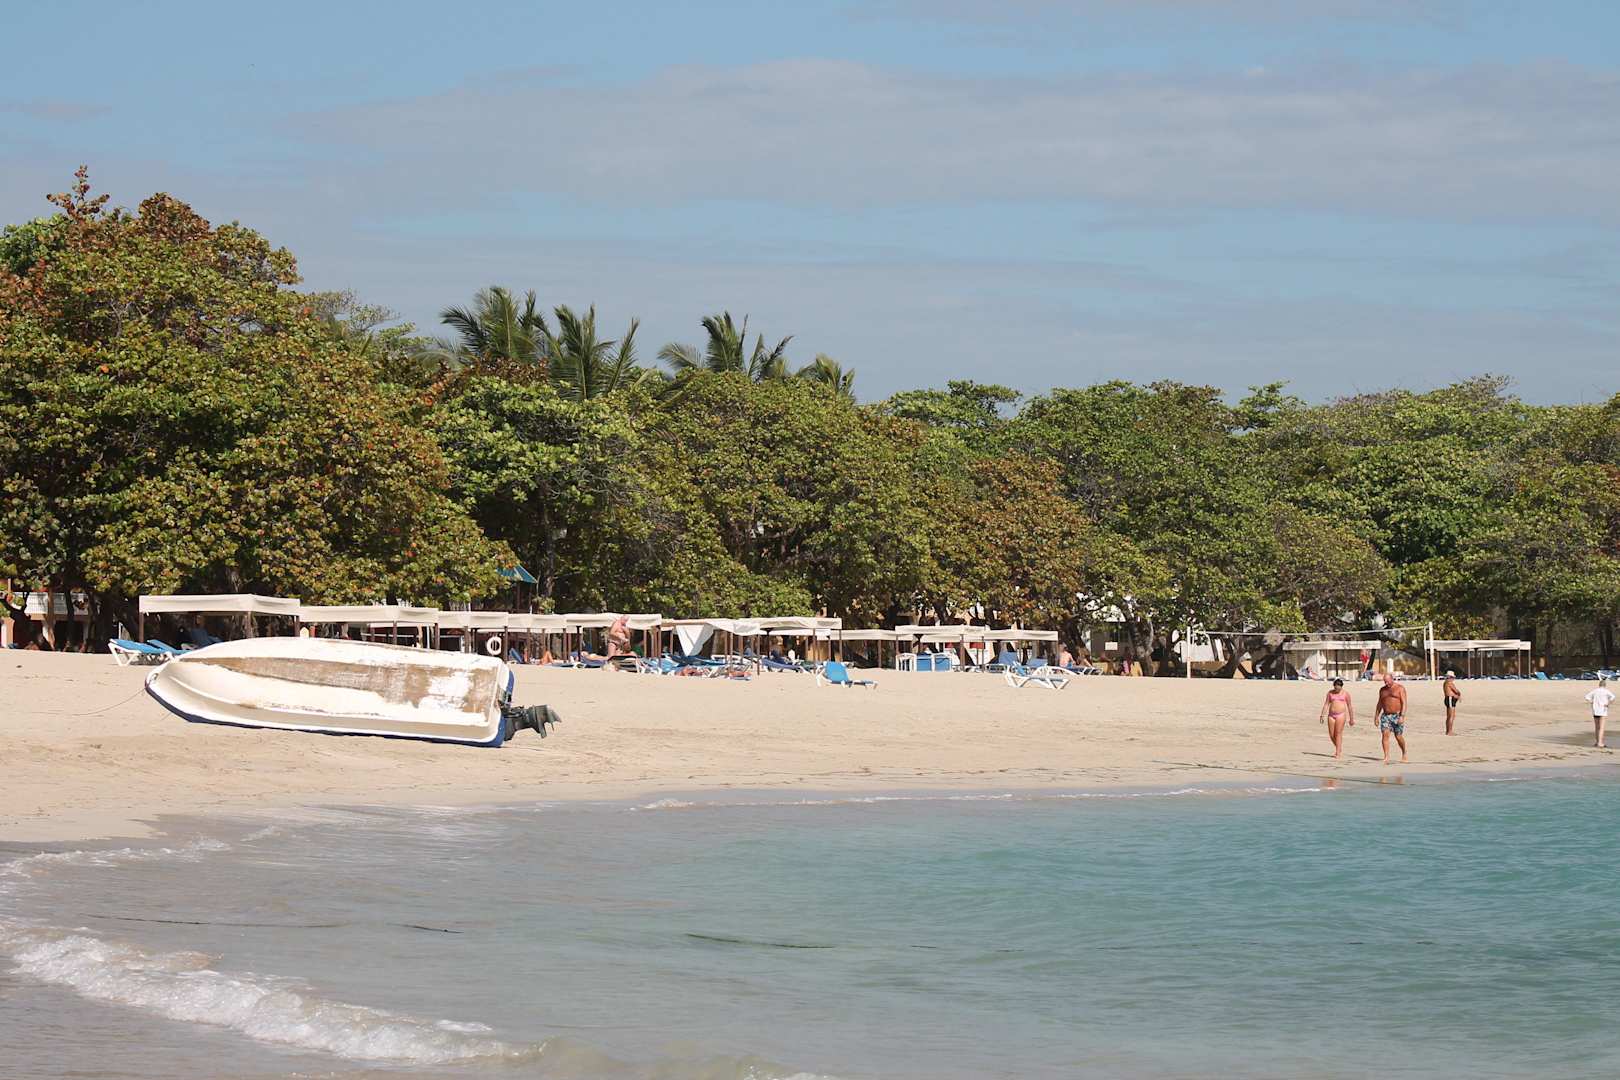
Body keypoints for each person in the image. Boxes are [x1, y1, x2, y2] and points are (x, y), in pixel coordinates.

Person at [1375, 673, 1408, 764]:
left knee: (1398, 736)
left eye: (1388, 681)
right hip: (1386, 715)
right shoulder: (1382, 690)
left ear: (1392, 679)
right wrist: (1376, 716)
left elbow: (1404, 703)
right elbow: (1379, 704)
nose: (1386, 683)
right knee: (1385, 734)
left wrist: (1402, 716)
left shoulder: (1400, 688)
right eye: (1385, 682)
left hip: (1397, 715)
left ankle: (1404, 752)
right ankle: (1386, 756)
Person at [1318, 677, 1356, 758]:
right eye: (1335, 688)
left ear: (1341, 687)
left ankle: (1338, 752)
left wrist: (1351, 719)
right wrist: (1322, 715)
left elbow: (1349, 706)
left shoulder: (1345, 694)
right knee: (1331, 734)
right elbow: (1326, 704)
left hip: (1341, 715)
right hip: (1331, 715)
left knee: (1338, 733)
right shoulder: (1330, 693)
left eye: (1338, 688)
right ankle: (1338, 747)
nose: (1337, 690)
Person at [1585, 677, 1615, 749]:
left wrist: (1591, 702)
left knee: (1597, 727)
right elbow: (1613, 697)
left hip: (1595, 710)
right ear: (1605, 685)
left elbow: (1587, 697)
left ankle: (1597, 741)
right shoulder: (1606, 691)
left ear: (1599, 685)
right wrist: (1608, 703)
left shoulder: (1595, 691)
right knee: (1601, 727)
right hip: (1603, 710)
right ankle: (1600, 743)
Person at [1442, 670, 1462, 735]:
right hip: (1450, 699)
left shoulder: (1446, 682)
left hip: (1449, 699)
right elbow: (1456, 691)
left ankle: (1448, 731)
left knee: (1449, 716)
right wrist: (1458, 694)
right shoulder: (1449, 683)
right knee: (1451, 716)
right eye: (1453, 677)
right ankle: (1449, 731)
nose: (1453, 679)